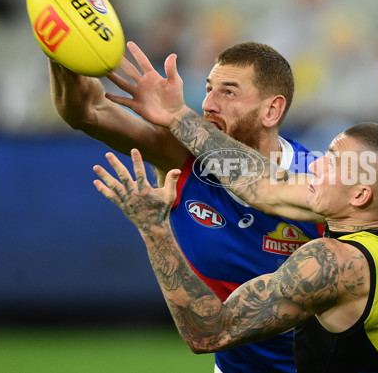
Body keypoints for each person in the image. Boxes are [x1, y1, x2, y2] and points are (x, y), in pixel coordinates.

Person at [97, 42, 378, 373]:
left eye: (333, 162)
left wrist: (153, 228)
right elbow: (262, 185)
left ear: (359, 196)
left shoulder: (331, 265)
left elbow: (207, 333)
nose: (316, 163)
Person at [49, 41, 324, 373]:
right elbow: (88, 111)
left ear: (271, 110)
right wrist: (62, 44)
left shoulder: (322, 182)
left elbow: (264, 188)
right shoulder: (183, 159)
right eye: (208, 90)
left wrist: (178, 114)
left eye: (229, 93)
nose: (208, 104)